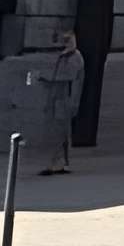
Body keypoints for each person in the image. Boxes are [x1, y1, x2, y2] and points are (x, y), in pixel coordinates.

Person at [36, 29, 84, 176]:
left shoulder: (74, 57)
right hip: (57, 99)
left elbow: (68, 76)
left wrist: (46, 76)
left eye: (68, 40)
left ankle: (54, 164)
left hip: (65, 100)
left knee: (59, 132)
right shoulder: (64, 56)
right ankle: (61, 163)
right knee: (59, 132)